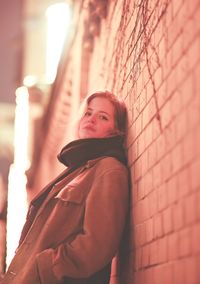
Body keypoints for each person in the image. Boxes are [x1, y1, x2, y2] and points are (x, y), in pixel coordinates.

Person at [1, 90, 129, 284]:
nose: (91, 119)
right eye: (88, 113)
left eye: (102, 117)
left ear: (115, 131)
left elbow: (96, 246)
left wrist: (44, 267)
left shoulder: (108, 170)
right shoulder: (78, 170)